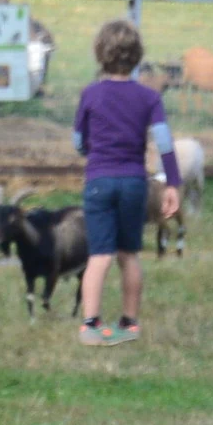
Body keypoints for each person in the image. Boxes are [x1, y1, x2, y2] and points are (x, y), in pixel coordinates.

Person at [74, 18, 181, 347]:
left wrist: (95, 148)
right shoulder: (149, 98)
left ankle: (91, 324)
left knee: (99, 255)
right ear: (137, 56)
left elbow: (79, 142)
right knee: (129, 254)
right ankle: (130, 323)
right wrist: (172, 184)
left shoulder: (90, 94)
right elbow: (164, 143)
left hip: (99, 181)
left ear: (99, 55)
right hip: (135, 182)